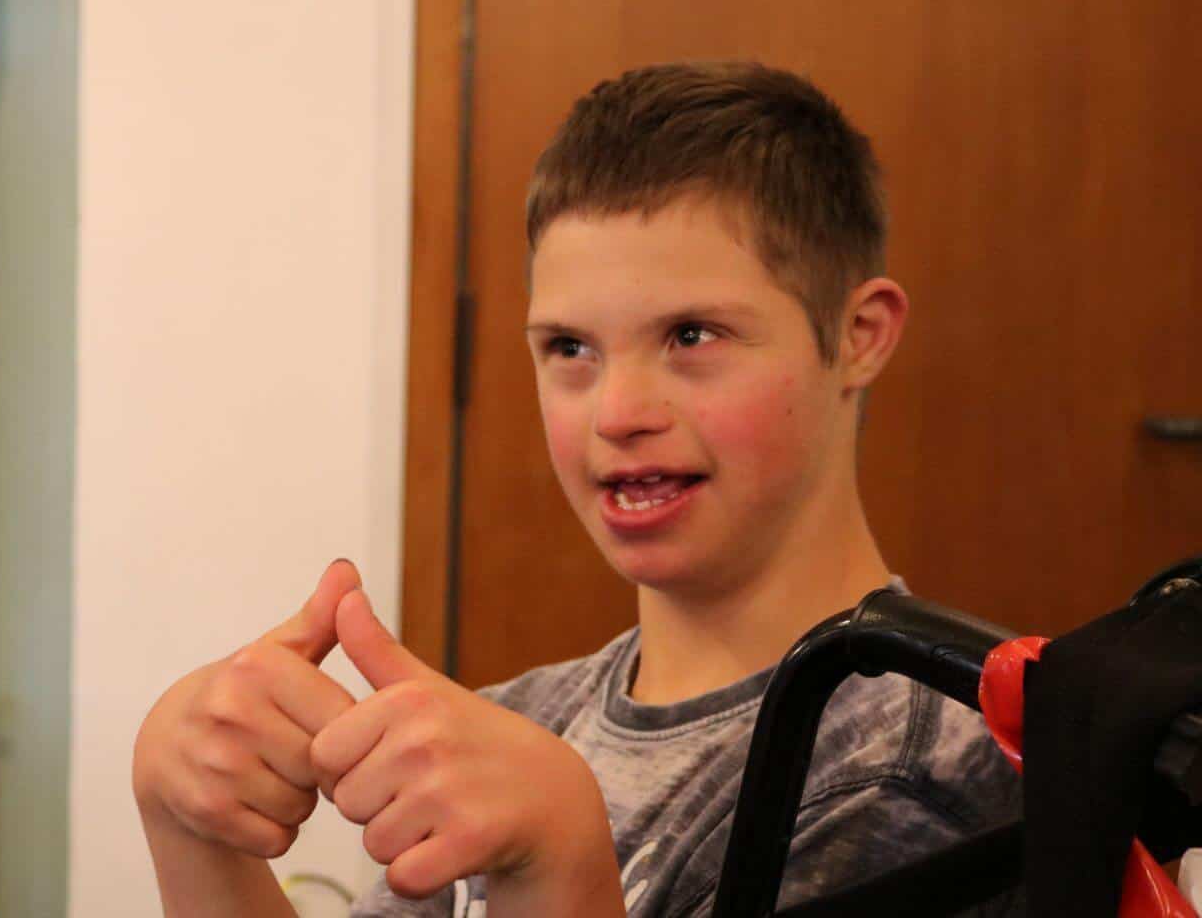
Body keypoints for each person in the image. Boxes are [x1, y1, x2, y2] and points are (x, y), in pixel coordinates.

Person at [131, 62, 1022, 916]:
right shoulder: (519, 725)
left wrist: (561, 869)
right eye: (569, 349)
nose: (618, 412)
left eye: (692, 334)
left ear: (860, 336)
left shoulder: (924, 779)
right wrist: (196, 838)